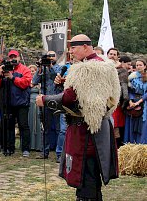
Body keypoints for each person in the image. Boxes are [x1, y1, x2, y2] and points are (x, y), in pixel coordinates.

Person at [36, 34, 120, 201]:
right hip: (98, 127)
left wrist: (45, 100)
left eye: (74, 48)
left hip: (85, 131)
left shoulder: (86, 68)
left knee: (85, 175)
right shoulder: (104, 65)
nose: (71, 51)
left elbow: (70, 98)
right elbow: (85, 94)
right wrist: (64, 83)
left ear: (85, 47)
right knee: (93, 175)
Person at [0, 49, 32, 157]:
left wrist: (13, 77)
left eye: (15, 57)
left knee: (23, 126)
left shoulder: (24, 70)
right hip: (8, 103)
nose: (13, 59)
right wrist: (0, 74)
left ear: (19, 57)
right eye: (11, 57)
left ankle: (25, 149)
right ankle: (9, 148)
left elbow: (25, 83)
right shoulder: (5, 68)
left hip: (22, 103)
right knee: (8, 127)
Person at [32, 51, 62, 159]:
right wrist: (40, 68)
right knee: (45, 128)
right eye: (48, 56)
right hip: (45, 101)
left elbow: (56, 78)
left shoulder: (59, 68)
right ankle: (44, 152)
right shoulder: (42, 69)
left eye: (52, 56)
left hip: (57, 100)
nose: (50, 58)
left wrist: (50, 67)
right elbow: (34, 81)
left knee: (59, 129)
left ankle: (59, 154)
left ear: (56, 57)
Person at [124, 59, 147, 144]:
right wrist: (130, 101)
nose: (138, 67)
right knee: (132, 124)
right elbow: (129, 91)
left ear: (145, 66)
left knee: (143, 126)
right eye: (137, 65)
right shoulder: (132, 77)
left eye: (140, 65)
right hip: (133, 103)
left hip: (144, 103)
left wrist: (139, 102)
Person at [112, 55, 131, 147]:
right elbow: (125, 92)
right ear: (122, 63)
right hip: (117, 104)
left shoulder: (110, 70)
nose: (129, 66)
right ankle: (116, 148)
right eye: (128, 64)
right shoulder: (123, 71)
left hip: (112, 102)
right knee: (116, 127)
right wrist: (124, 104)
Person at [28, 64, 42, 152]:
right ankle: (30, 145)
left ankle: (38, 145)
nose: (32, 72)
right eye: (30, 71)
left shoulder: (39, 81)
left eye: (33, 71)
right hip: (29, 103)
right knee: (30, 123)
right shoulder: (27, 80)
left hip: (38, 103)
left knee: (38, 123)